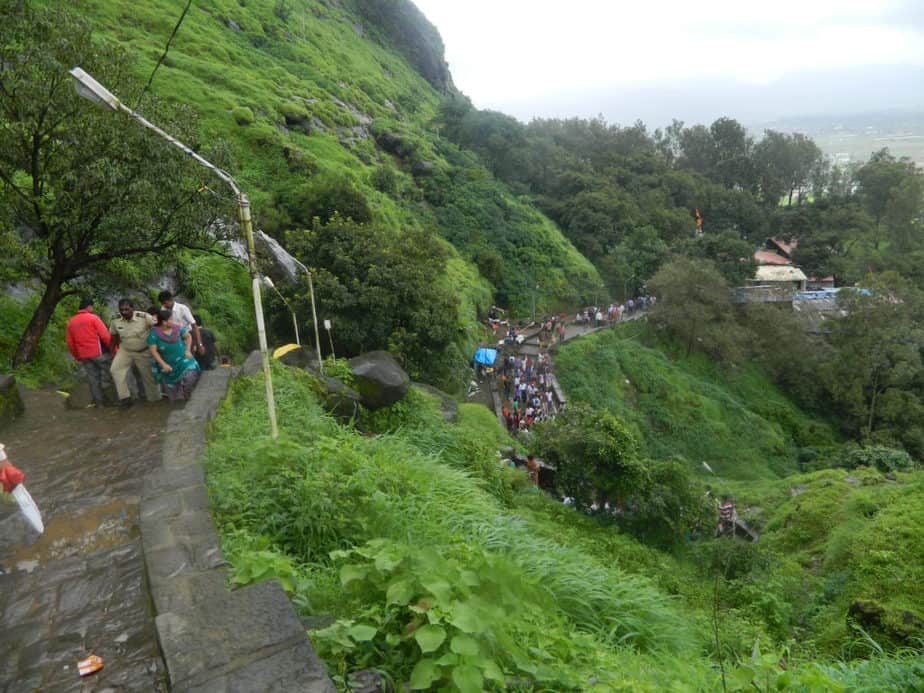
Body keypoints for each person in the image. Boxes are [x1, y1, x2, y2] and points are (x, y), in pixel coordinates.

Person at [109, 298, 160, 406]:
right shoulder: (115, 319)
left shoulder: (144, 317)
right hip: (125, 350)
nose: (124, 312)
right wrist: (112, 352)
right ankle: (125, 398)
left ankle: (155, 401)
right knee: (115, 369)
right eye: (121, 310)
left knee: (149, 377)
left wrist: (158, 347)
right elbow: (113, 336)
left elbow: (158, 327)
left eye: (126, 309)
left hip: (144, 351)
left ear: (132, 308)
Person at [65, 297, 114, 407]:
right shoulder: (93, 318)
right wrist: (114, 350)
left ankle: (99, 404)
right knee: (112, 373)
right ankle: (116, 400)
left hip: (84, 356)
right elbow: (105, 336)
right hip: (98, 353)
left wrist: (77, 356)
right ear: (89, 307)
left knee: (93, 380)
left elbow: (70, 343)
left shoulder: (71, 322)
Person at [147, 309, 201, 401]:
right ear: (164, 322)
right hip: (168, 365)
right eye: (171, 319)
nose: (173, 321)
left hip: (183, 360)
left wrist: (188, 350)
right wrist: (163, 365)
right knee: (173, 396)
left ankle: (187, 396)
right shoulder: (153, 334)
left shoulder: (178, 329)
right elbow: (153, 352)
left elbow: (188, 336)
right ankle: (178, 405)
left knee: (190, 376)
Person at [158, 290, 204, 356]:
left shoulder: (183, 309)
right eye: (162, 303)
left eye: (165, 303)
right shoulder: (163, 309)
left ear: (171, 300)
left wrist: (199, 344)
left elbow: (194, 327)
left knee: (187, 358)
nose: (164, 305)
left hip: (187, 337)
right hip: (172, 339)